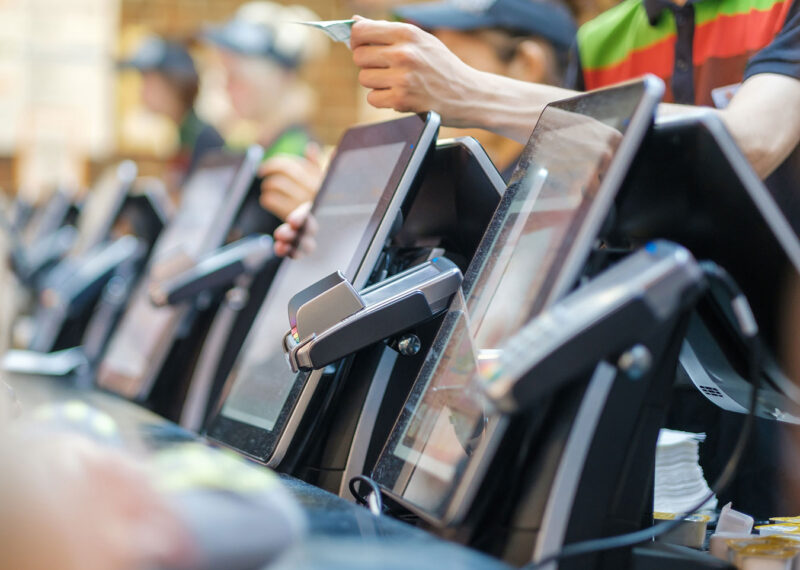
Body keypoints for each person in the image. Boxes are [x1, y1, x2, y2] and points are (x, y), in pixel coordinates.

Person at [347, 8, 800, 180]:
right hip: (661, 353)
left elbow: (747, 142)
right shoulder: (598, 41)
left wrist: (467, 90)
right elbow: (564, 214)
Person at [394, 0, 577, 180]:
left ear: (526, 65)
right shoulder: (490, 185)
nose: (429, 86)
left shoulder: (563, 193)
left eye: (450, 66)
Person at [203, 1, 327, 221]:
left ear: (280, 78)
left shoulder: (293, 154)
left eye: (237, 77)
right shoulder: (256, 143)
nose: (227, 87)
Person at [118, 36, 225, 190]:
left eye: (149, 81)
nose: (142, 91)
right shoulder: (184, 135)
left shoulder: (204, 140)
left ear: (175, 84)